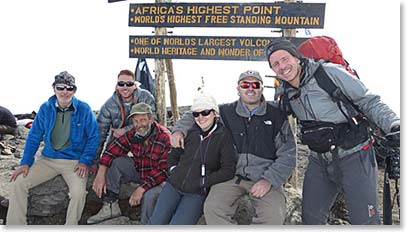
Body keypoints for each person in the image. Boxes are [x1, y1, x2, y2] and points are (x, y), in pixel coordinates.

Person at [266, 38, 400, 225]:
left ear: (296, 57)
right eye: (275, 64)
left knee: (364, 221)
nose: (282, 66)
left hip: (355, 156)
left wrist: (394, 124)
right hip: (318, 160)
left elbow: (368, 101)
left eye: (285, 58)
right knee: (311, 220)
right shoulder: (285, 91)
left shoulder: (328, 73)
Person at [171, 70, 296, 224]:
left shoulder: (277, 114)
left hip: (265, 178)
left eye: (255, 84)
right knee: (213, 208)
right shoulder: (226, 111)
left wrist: (268, 180)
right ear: (238, 89)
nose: (250, 88)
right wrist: (178, 130)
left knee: (273, 217)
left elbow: (288, 154)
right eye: (245, 84)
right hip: (231, 177)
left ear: (261, 88)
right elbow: (195, 113)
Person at [6, 71, 100, 225]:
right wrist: (25, 162)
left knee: (78, 193)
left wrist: (85, 161)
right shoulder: (45, 108)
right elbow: (34, 136)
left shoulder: (84, 109)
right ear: (54, 88)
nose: (65, 92)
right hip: (47, 160)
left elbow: (93, 137)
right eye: (61, 87)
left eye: (69, 88)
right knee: (18, 183)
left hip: (74, 162)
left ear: (74, 90)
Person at [149, 94, 237, 225]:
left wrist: (203, 181)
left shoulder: (224, 137)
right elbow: (173, 155)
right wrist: (174, 171)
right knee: (155, 223)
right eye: (196, 114)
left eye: (205, 112)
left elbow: (228, 170)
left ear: (214, 114)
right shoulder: (189, 132)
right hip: (173, 186)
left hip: (196, 193)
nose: (200, 118)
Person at [87, 102, 170, 225]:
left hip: (160, 179)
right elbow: (111, 150)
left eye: (142, 120)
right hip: (140, 171)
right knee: (115, 162)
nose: (139, 125)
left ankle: (146, 224)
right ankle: (111, 206)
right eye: (136, 121)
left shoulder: (164, 136)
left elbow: (163, 171)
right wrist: (101, 172)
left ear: (151, 119)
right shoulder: (133, 133)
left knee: (149, 196)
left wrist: (141, 189)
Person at [95, 69, 156, 164]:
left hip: (143, 138)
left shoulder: (146, 97)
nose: (125, 87)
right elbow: (100, 133)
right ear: (117, 86)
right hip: (118, 141)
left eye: (129, 84)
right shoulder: (108, 105)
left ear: (135, 86)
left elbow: (153, 121)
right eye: (121, 84)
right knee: (106, 164)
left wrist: (125, 131)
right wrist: (94, 161)